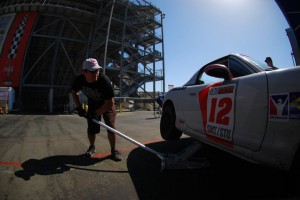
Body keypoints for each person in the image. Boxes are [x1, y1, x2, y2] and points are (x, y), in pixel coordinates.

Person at [71, 58, 122, 161]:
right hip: (93, 103)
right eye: (93, 71)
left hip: (107, 103)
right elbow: (73, 93)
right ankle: (92, 147)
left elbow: (110, 103)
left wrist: (96, 113)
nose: (96, 73)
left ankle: (113, 150)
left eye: (97, 70)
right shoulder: (79, 80)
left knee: (110, 126)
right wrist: (79, 107)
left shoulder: (104, 80)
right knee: (91, 128)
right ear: (84, 72)